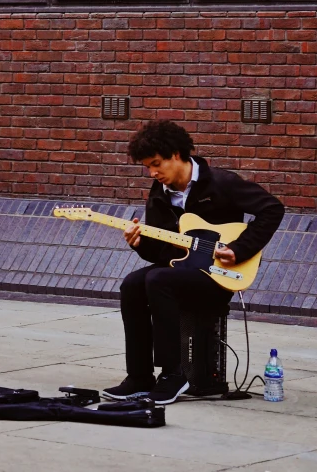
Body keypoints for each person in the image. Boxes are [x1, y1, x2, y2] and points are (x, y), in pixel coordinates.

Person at [102, 119, 285, 405]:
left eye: (156, 163)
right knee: (132, 284)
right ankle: (139, 377)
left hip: (220, 274)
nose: (152, 172)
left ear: (176, 154)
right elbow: (164, 254)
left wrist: (240, 249)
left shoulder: (222, 183)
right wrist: (139, 243)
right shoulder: (159, 193)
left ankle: (174, 375)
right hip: (183, 269)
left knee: (157, 280)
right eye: (147, 167)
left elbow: (273, 209)